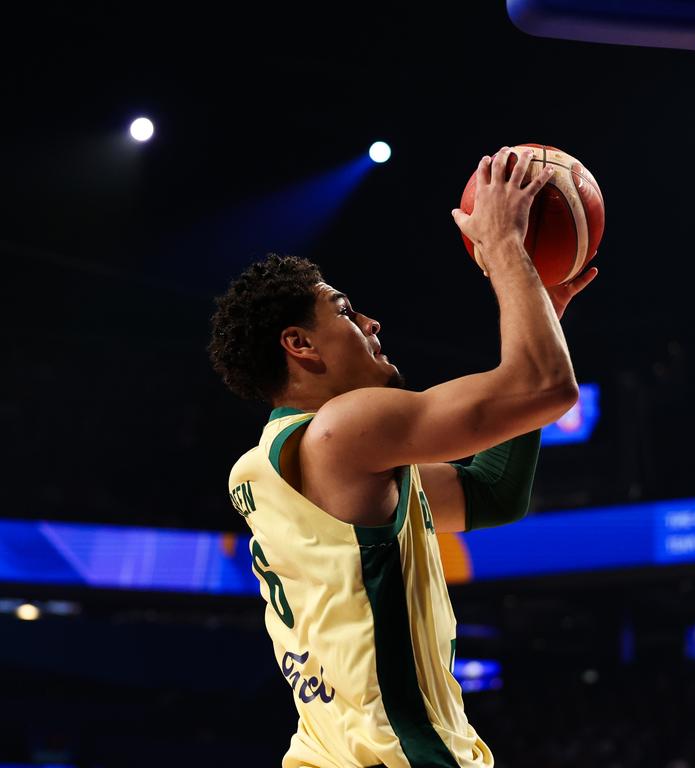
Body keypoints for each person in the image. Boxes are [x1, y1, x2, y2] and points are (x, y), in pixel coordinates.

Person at [208, 146, 598, 768]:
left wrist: (540, 312)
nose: (372, 321)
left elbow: (491, 494)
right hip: (395, 755)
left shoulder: (279, 463)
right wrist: (503, 249)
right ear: (299, 344)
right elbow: (545, 388)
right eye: (344, 310)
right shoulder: (343, 428)